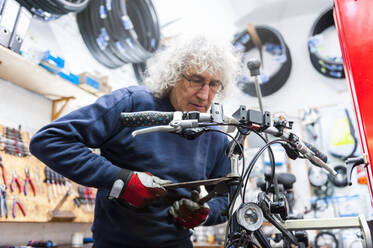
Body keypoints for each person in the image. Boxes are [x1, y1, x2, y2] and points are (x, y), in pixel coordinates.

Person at [29, 34, 242, 248]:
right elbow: (50, 140)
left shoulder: (215, 134)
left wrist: (205, 212)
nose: (205, 95)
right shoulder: (132, 104)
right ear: (174, 76)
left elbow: (229, 197)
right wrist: (120, 180)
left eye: (214, 84)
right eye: (196, 80)